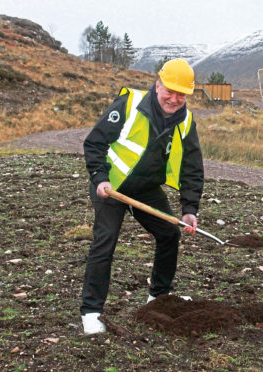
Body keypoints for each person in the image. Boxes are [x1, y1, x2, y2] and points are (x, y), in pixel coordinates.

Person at [80, 58, 204, 335]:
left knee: (170, 234)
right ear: (158, 85)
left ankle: (158, 298)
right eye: (169, 91)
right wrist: (99, 179)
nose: (174, 99)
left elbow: (192, 167)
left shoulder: (186, 122)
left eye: (181, 94)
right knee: (105, 242)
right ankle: (91, 312)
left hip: (146, 189)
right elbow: (95, 143)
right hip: (111, 185)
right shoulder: (129, 105)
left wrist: (189, 209)